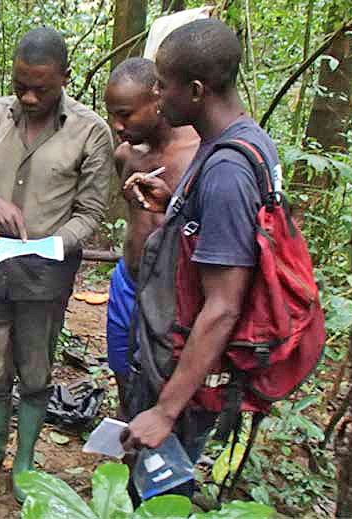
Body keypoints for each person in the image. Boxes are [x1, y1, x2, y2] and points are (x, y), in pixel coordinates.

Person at [120, 19, 281, 497]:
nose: (158, 96)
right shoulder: (239, 143)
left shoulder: (228, 170)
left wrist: (165, 410)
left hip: (186, 376)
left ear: (194, 90)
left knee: (158, 496)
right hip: (176, 358)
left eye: (163, 85)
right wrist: (176, 207)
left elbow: (223, 305)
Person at [0, 27, 115, 502]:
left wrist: (52, 244)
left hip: (45, 278)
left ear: (65, 78)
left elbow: (90, 213)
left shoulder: (90, 132)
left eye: (40, 88)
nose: (27, 96)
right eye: (20, 84)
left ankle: (24, 460)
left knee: (36, 367)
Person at [103, 57, 199, 418]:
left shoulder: (196, 154)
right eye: (112, 114)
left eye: (126, 114)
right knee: (122, 370)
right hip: (128, 282)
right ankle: (128, 443)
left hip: (173, 295)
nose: (117, 125)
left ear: (157, 100)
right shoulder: (125, 154)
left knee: (161, 377)